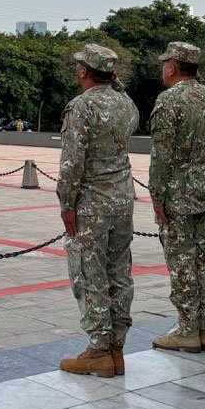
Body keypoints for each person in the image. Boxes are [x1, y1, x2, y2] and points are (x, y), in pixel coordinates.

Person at [56, 43, 140, 378]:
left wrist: (66, 203)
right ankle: (116, 348)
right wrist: (115, 83)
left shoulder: (81, 106)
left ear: (83, 71)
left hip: (92, 204)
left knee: (90, 274)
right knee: (119, 272)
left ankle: (98, 349)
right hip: (122, 199)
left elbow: (72, 162)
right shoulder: (125, 104)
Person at [149, 41, 205, 354]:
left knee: (181, 261)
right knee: (202, 257)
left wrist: (156, 195)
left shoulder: (168, 100)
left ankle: (187, 330)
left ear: (171, 67)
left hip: (178, 192)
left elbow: (161, 155)